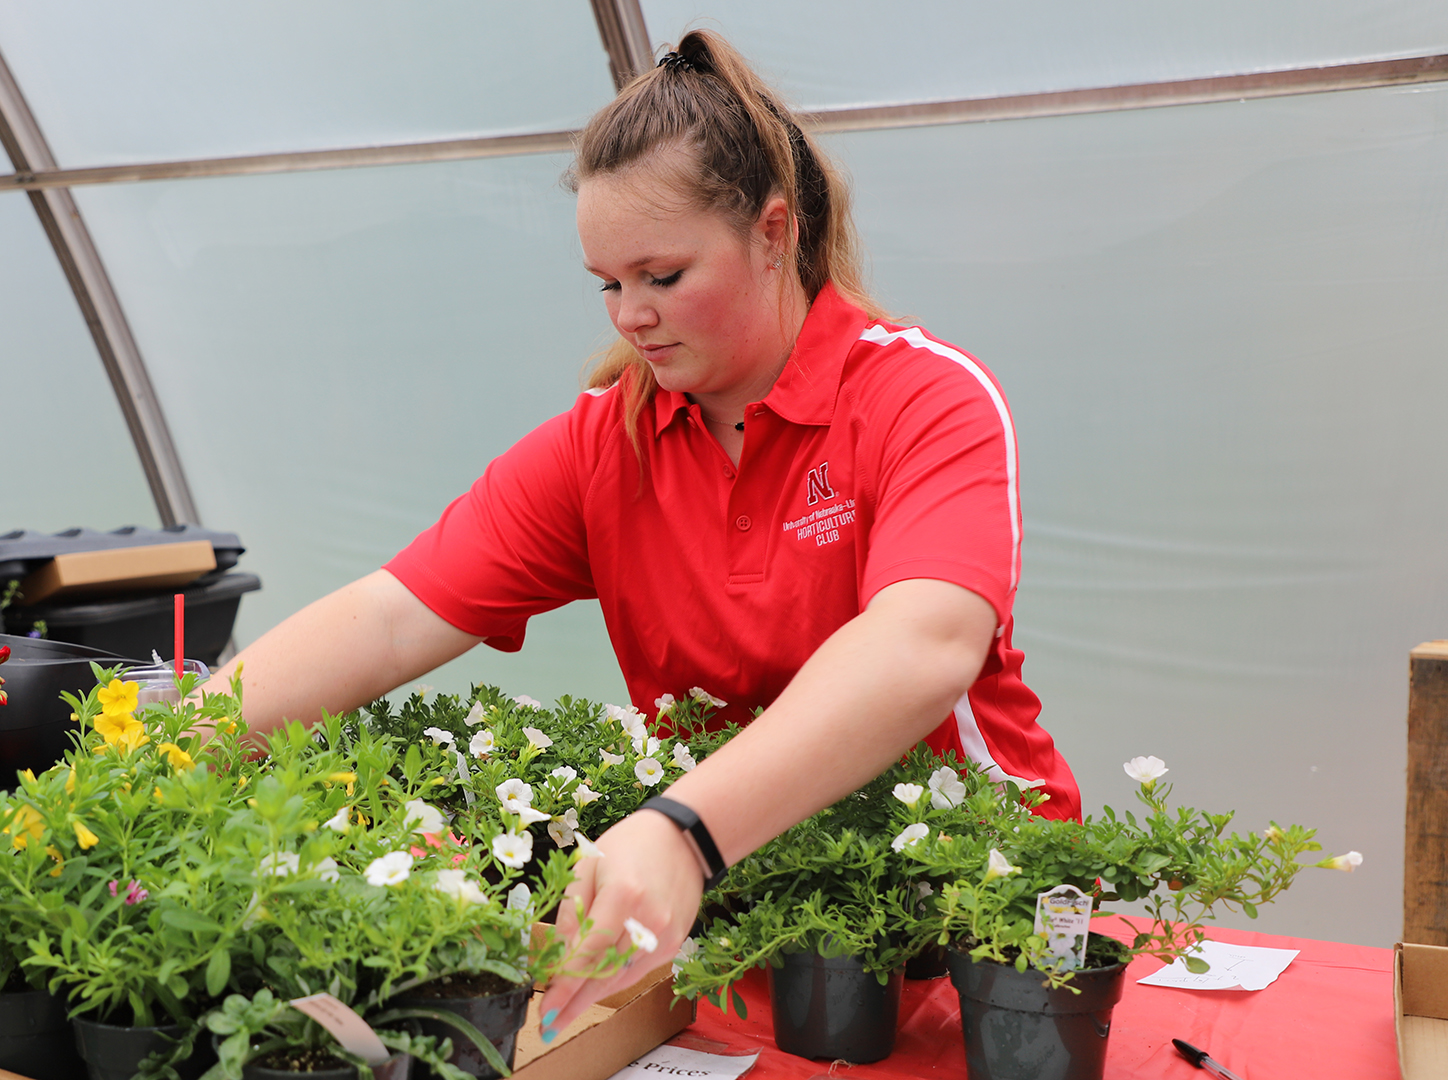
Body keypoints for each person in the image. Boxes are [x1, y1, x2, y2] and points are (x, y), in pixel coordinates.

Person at [200, 30, 1079, 1035]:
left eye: (662, 275)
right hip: (742, 911)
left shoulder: (923, 398)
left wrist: (681, 833)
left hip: (983, 928)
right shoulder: (606, 439)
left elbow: (923, 643)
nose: (631, 316)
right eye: (606, 283)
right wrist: (169, 754)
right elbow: (396, 617)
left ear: (772, 230)